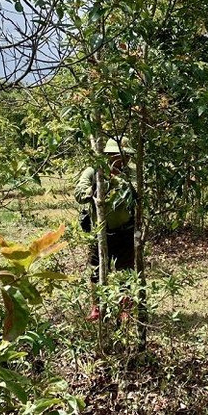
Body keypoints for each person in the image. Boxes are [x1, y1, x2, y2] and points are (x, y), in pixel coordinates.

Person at [74, 137, 137, 321]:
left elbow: (138, 191)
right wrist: (96, 189)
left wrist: (119, 182)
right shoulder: (93, 172)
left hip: (125, 231)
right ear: (111, 155)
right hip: (100, 232)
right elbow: (79, 193)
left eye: (128, 156)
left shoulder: (130, 174)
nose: (126, 160)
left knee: (125, 270)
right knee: (96, 271)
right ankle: (97, 306)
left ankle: (124, 307)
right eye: (122, 156)